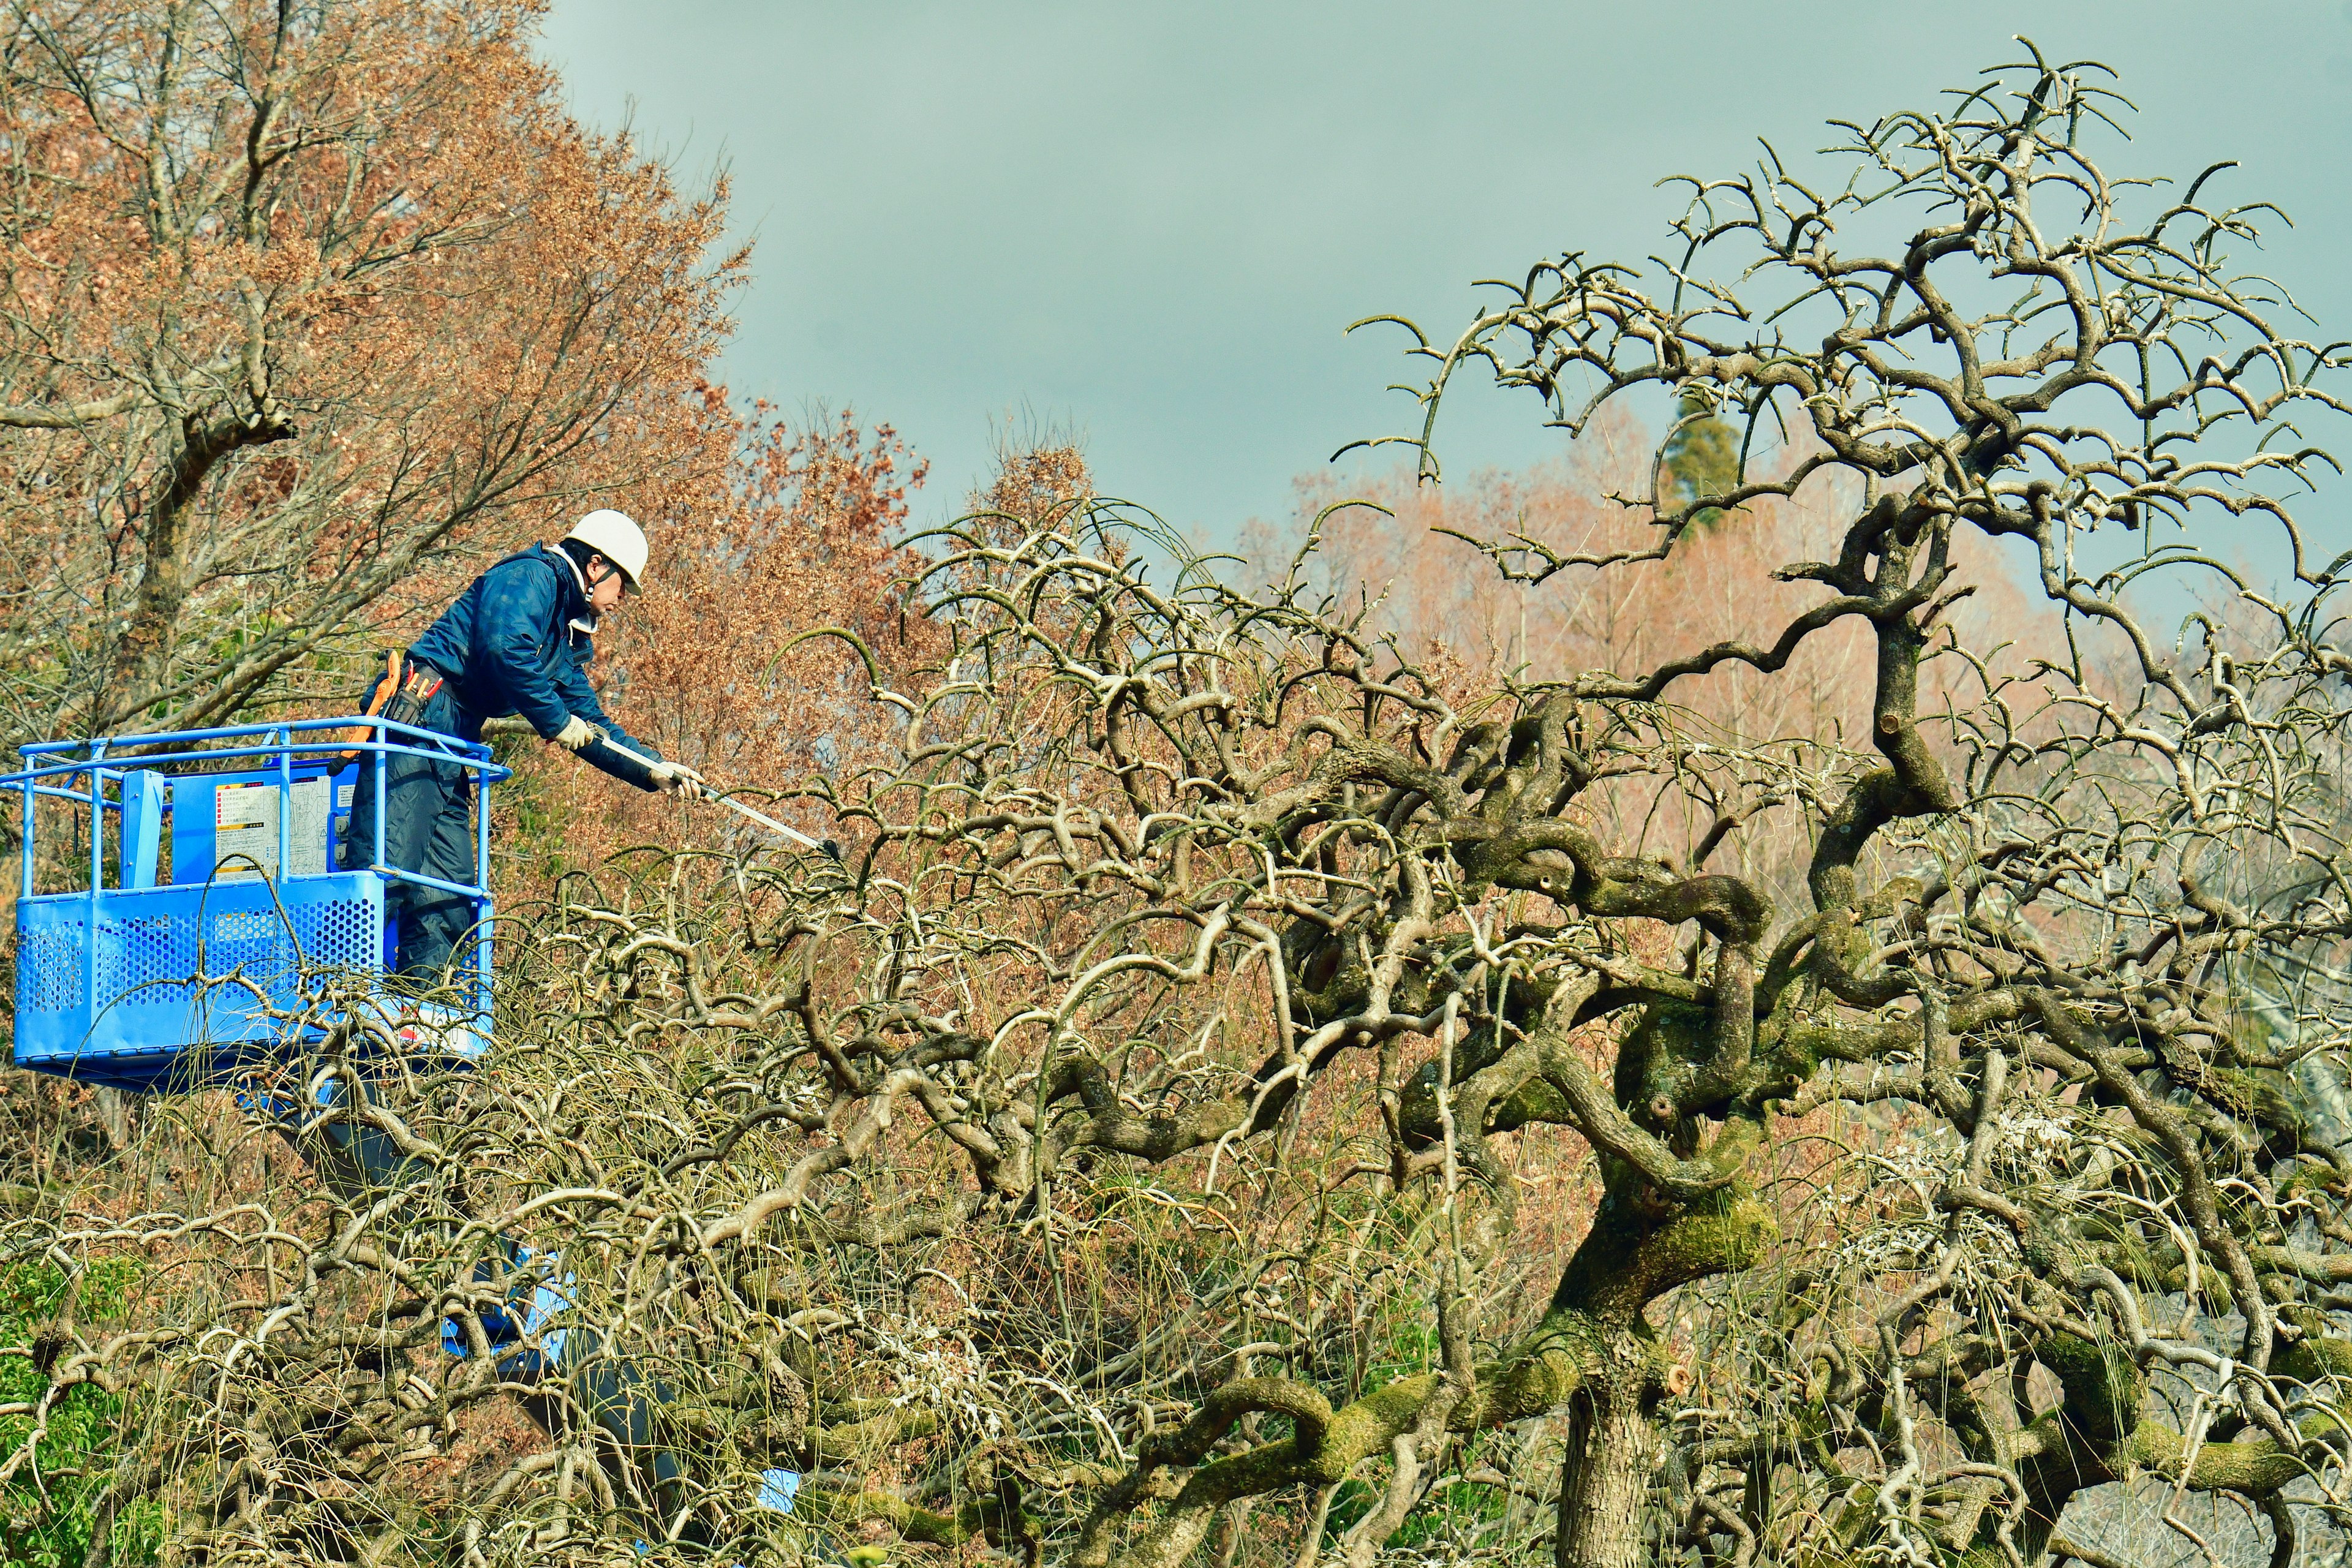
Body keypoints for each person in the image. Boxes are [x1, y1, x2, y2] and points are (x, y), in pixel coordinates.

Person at [343, 509, 703, 980]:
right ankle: (341, 996)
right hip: (422, 713)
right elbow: (502, 649)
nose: (623, 599)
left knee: (448, 896)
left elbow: (593, 725)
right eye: (623, 585)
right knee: (386, 868)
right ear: (596, 567)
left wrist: (655, 770)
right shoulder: (531, 577)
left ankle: (418, 1017)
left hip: (453, 739)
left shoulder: (562, 635)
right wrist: (555, 721)